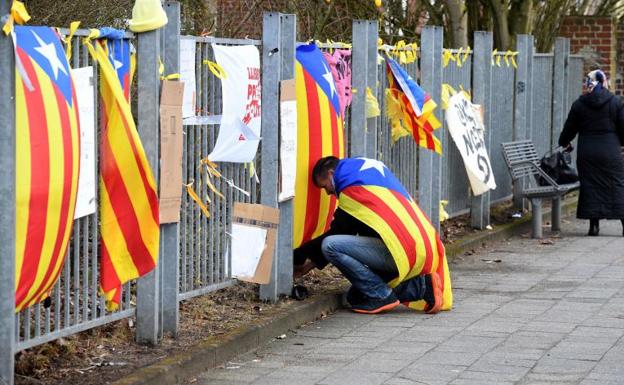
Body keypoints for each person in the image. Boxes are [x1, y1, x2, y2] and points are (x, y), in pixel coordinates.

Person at [293, 156, 449, 314]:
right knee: (357, 296)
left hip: (399, 252)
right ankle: (424, 287)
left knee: (330, 245)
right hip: (415, 249)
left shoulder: (352, 189)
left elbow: (339, 233)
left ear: (332, 173)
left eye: (325, 186)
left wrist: (299, 256)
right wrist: (310, 263)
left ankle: (387, 294)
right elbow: (353, 230)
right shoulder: (365, 175)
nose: (327, 192)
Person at [559, 69, 624, 236]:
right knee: (617, 185)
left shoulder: (579, 104)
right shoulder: (616, 102)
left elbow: (569, 129)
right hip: (611, 151)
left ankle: (593, 227)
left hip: (587, 152)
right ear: (604, 83)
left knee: (590, 187)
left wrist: (564, 143)